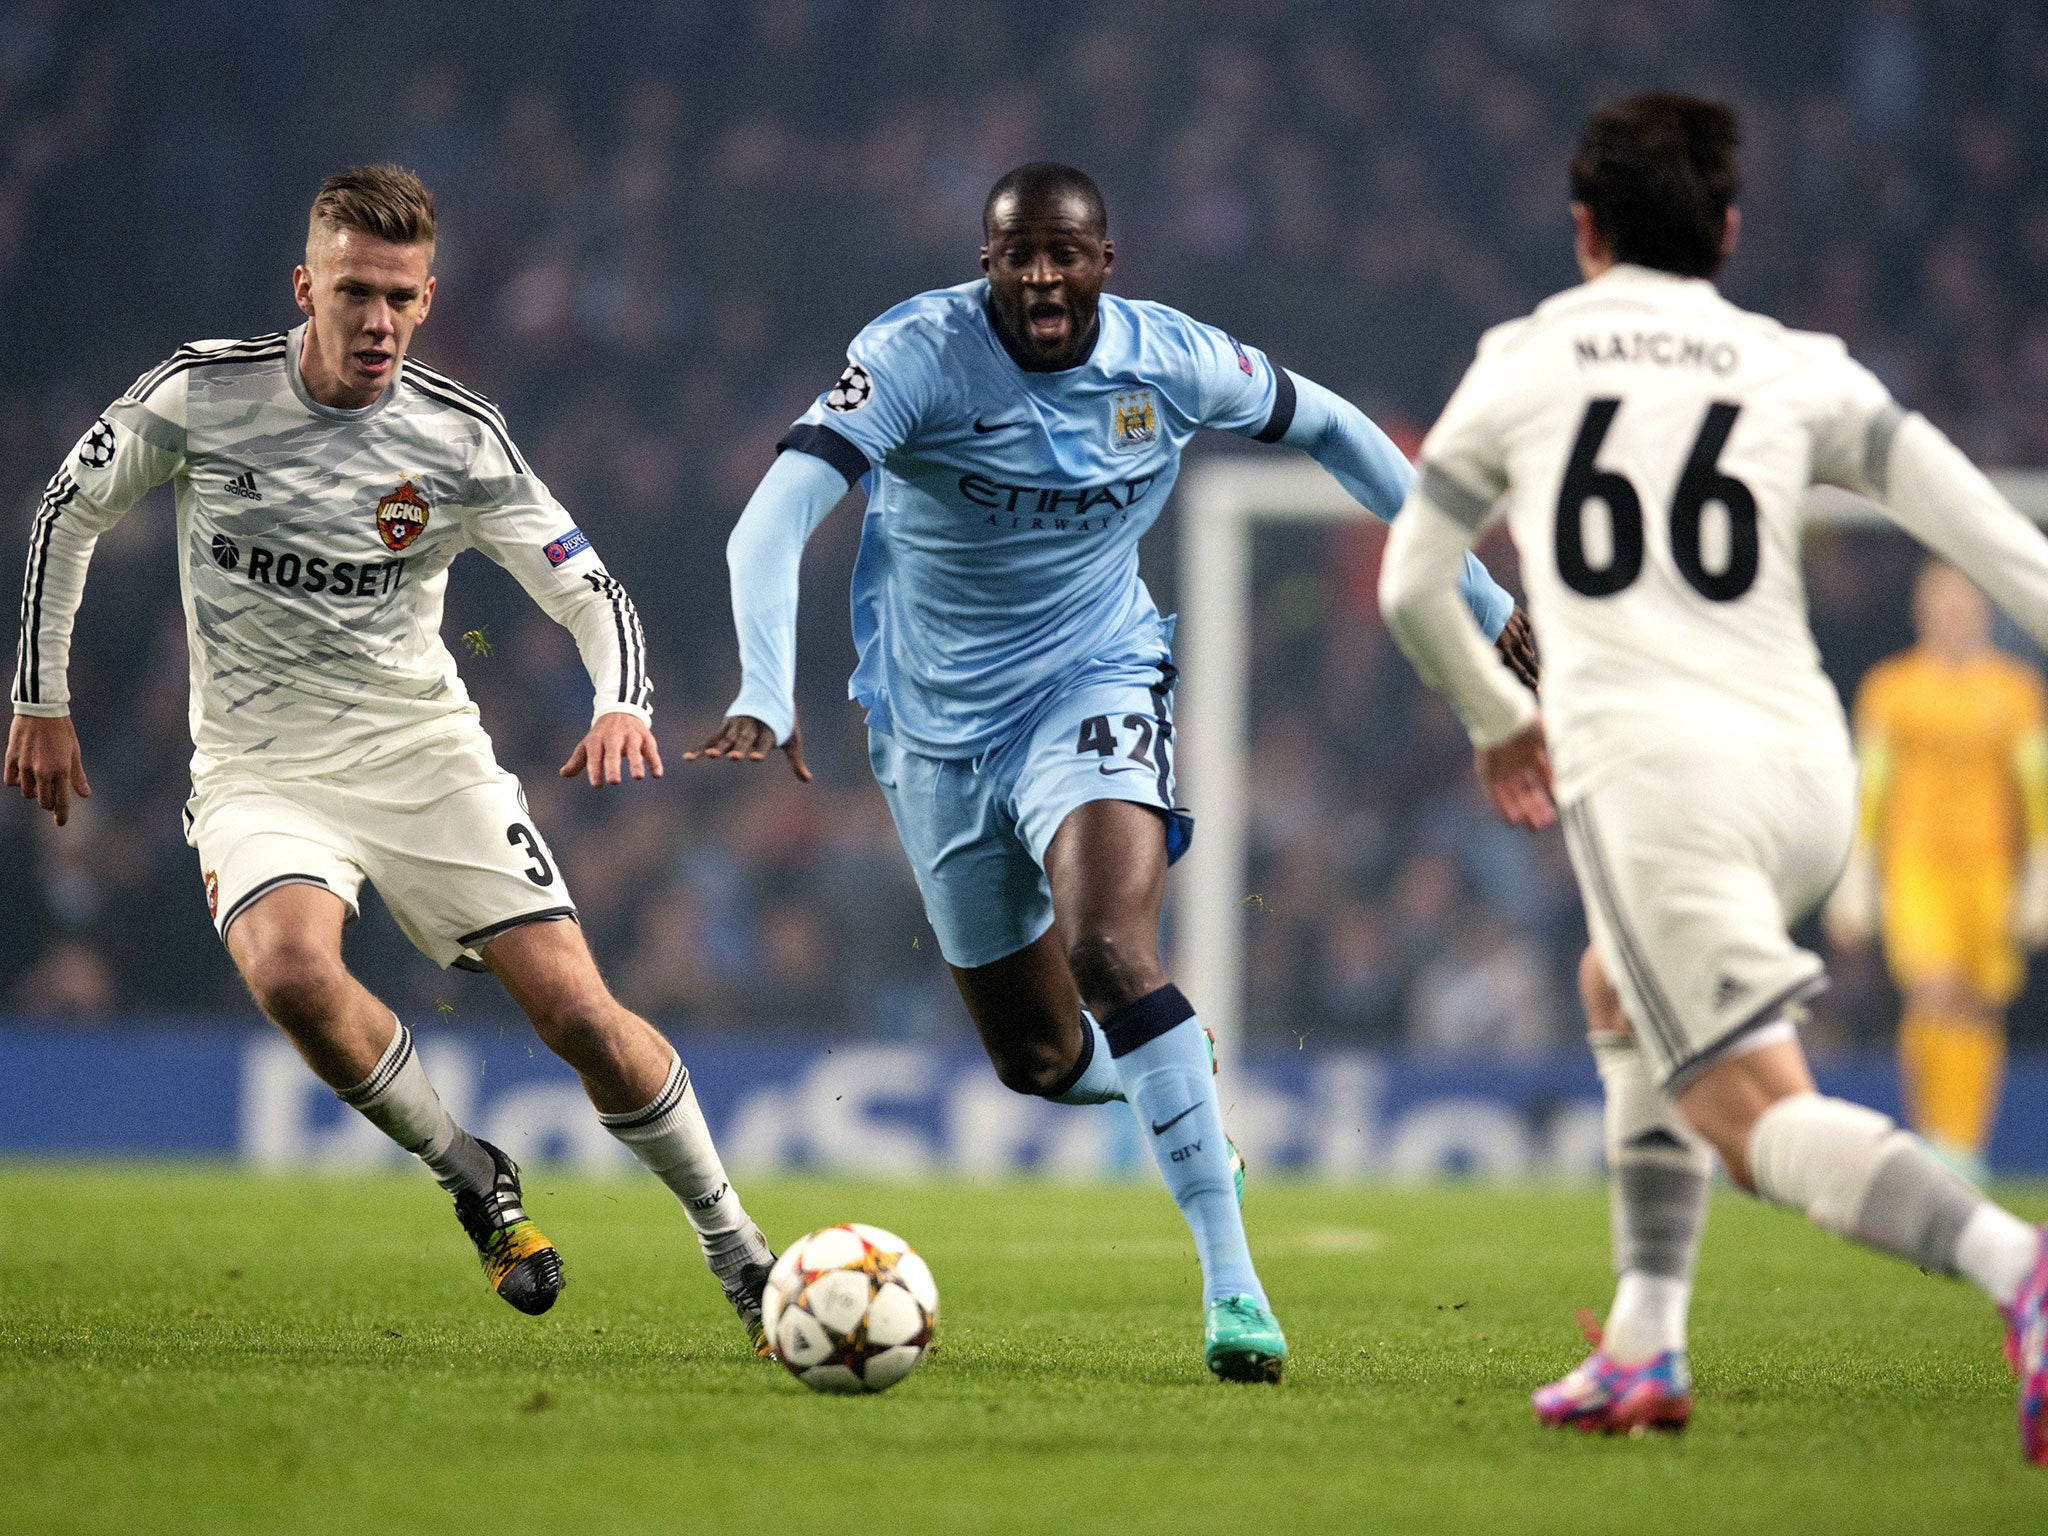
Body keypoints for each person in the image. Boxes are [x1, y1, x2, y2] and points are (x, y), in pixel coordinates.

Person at [688, 161, 1534, 1383]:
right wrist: (764, 686)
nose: (1039, 274)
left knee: (1110, 948)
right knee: (1034, 1059)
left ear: (1103, 263)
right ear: (985, 266)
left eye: (1063, 253)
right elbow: (770, 516)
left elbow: (1344, 434)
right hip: (929, 732)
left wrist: (1483, 592)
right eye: (1015, 254)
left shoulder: (1170, 360)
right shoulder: (914, 355)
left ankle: (1232, 1286)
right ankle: (1170, 1097)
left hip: (1094, 681)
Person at [1377, 94, 2048, 1461]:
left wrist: (1496, 715)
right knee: (1615, 988)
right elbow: (1985, 529)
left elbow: (1409, 585)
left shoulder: (1525, 359)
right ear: (1729, 232)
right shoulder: (1796, 363)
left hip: (1658, 784)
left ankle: (2017, 1268)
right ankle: (1643, 1341)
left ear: (1583, 230)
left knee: (1751, 1115)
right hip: (1805, 772)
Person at [6, 165, 776, 1353]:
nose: (376, 321)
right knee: (290, 974)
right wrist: (41, 697)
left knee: (577, 1011)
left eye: (400, 298)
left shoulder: (457, 438)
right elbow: (69, 508)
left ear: (428, 300)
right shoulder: (202, 396)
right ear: (304, 286)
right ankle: (470, 1172)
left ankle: (736, 1246)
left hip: (424, 756)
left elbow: (588, 586)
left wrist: (621, 700)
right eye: (354, 292)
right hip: (259, 768)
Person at [1825, 561, 2048, 1180]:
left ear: (1981, 613)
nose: (1952, 615)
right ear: (1922, 611)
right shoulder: (1891, 689)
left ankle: (1965, 1145)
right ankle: (1932, 1136)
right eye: (1941, 603)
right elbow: (1870, 784)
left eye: (1963, 603)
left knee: (1979, 1004)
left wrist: (2041, 871)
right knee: (1932, 986)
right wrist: (1857, 871)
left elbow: (2034, 787)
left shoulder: (2017, 689)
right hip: (1917, 864)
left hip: (1991, 868)